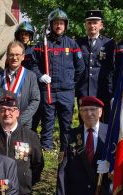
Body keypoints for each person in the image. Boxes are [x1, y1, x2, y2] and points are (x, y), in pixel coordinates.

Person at [28, 9, 85, 150]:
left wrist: (71, 83)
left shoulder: (72, 44)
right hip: (48, 91)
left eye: (61, 23)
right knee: (47, 123)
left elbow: (80, 67)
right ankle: (46, 152)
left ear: (65, 25)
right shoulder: (43, 44)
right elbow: (32, 64)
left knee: (66, 125)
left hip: (67, 92)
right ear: (51, 25)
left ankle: (65, 153)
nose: (58, 26)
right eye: (56, 23)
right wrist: (40, 76)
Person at [76, 10, 115, 123]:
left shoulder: (109, 43)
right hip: (84, 89)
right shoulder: (78, 43)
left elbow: (112, 67)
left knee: (103, 121)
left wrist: (111, 89)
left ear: (101, 25)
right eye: (89, 23)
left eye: (95, 23)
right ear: (85, 25)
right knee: (83, 121)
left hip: (102, 90)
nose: (92, 25)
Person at [0, 41, 40, 127]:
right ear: (7, 56)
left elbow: (35, 100)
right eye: (11, 54)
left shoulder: (31, 76)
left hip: (23, 125)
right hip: (2, 123)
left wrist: (20, 121)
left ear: (23, 57)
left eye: (17, 54)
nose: (14, 58)